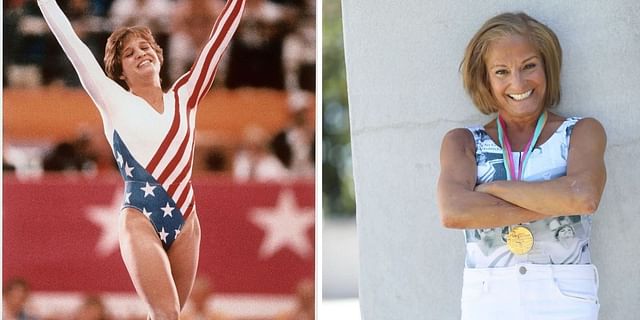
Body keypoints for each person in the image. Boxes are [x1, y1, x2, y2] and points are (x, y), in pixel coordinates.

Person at [37, 0, 245, 318]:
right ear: (120, 71)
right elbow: (70, 41)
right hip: (141, 218)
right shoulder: (112, 99)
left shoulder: (186, 96)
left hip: (187, 220)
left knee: (165, 314)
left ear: (159, 55)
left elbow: (219, 38)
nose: (141, 54)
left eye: (145, 47)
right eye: (130, 54)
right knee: (166, 314)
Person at [437, 12, 606, 320]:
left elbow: (584, 196)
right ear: (485, 79)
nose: (518, 82)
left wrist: (490, 190)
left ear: (547, 67)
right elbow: (454, 212)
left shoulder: (580, 132)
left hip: (565, 294)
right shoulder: (463, 141)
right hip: (488, 296)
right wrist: (555, 200)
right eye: (501, 71)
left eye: (529, 66)